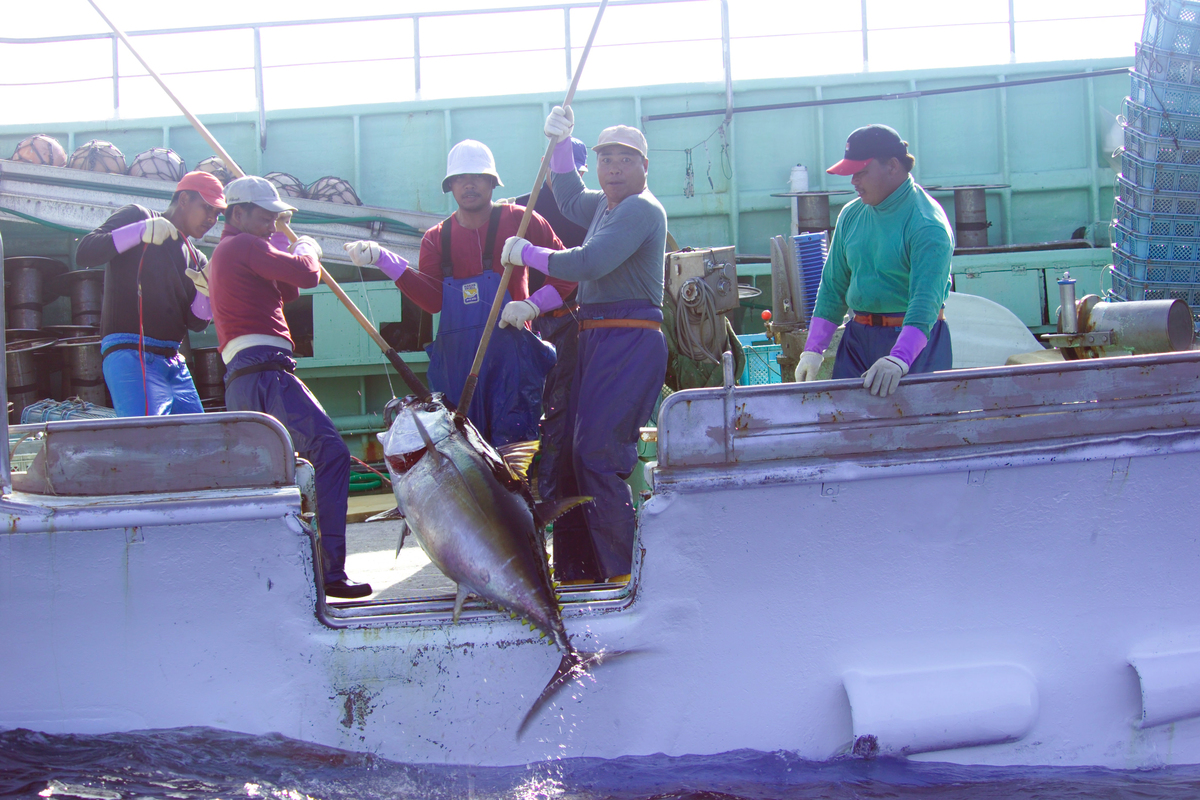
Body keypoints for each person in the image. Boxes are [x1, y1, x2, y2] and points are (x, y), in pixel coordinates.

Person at [501, 107, 668, 584]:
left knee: (597, 454)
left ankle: (624, 573)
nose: (612, 167)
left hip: (627, 339)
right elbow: (570, 196)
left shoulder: (639, 208)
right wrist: (559, 143)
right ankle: (604, 567)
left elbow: (590, 262)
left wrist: (528, 252)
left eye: (624, 159)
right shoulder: (606, 205)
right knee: (580, 453)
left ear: (643, 167)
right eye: (605, 158)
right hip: (597, 337)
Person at [343, 139, 573, 447]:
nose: (469, 184)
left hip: (513, 366)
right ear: (450, 185)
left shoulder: (521, 220)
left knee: (515, 454)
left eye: (477, 176)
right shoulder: (436, 239)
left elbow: (568, 272)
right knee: (463, 456)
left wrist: (532, 306)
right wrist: (383, 260)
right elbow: (432, 300)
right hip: (455, 372)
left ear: (492, 182)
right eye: (460, 178)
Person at [207, 175, 371, 600]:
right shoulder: (243, 244)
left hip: (244, 380)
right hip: (268, 373)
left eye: (276, 221)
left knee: (267, 476)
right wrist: (306, 248)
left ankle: (269, 578)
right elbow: (308, 274)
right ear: (236, 213)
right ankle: (332, 571)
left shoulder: (229, 253)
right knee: (331, 454)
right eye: (265, 219)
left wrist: (284, 248)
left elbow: (290, 289)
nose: (271, 227)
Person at [793, 124, 953, 397]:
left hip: (915, 343)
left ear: (892, 166)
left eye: (861, 172)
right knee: (849, 430)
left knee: (918, 433)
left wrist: (899, 359)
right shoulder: (851, 215)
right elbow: (833, 286)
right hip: (857, 340)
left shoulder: (927, 224)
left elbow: (925, 302)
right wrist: (813, 349)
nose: (854, 181)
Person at [76, 171, 225, 416]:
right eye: (207, 208)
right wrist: (139, 231)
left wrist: (205, 293)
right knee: (149, 441)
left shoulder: (197, 258)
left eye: (217, 214)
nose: (212, 218)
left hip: (174, 363)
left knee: (199, 440)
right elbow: (85, 252)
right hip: (130, 354)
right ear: (184, 199)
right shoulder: (138, 215)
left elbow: (196, 324)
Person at [514, 138, 588, 505]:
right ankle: (544, 501)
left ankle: (534, 503)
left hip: (549, 323)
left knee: (532, 413)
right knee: (553, 415)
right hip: (547, 322)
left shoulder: (518, 209)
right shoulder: (520, 211)